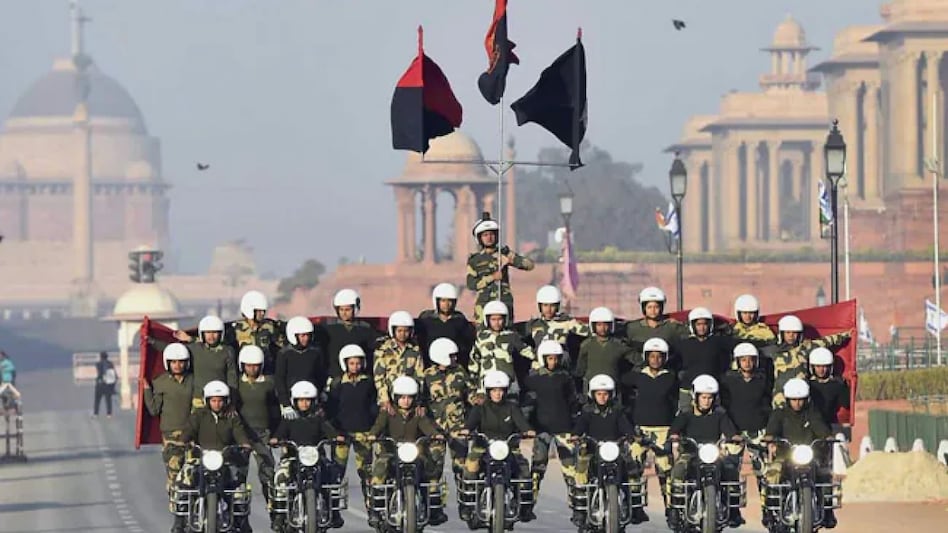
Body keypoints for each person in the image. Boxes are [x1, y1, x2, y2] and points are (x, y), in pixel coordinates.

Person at [667, 374, 744, 529]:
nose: (707, 401)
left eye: (710, 397)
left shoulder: (719, 414)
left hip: (713, 453)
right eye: (703, 397)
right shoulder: (686, 413)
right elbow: (674, 429)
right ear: (695, 397)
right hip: (691, 453)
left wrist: (734, 436)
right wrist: (674, 436)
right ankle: (675, 507)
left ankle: (733, 509)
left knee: (730, 470)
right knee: (678, 469)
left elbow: (729, 430)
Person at [367, 376, 446, 526]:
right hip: (391, 452)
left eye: (410, 397)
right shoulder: (388, 412)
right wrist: (373, 435)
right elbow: (378, 425)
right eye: (402, 397)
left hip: (413, 452)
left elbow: (426, 426)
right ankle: (375, 508)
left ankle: (433, 505)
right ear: (395, 397)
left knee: (430, 469)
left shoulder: (418, 414)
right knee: (380, 467)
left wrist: (435, 435)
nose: (406, 401)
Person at [460, 370, 536, 522]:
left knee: (524, 470)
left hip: (508, 448)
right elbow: (471, 423)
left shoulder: (512, 408)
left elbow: (522, 424)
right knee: (470, 467)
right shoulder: (480, 408)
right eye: (494, 390)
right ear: (488, 391)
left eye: (501, 390)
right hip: (483, 447)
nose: (497, 394)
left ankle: (525, 507)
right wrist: (467, 430)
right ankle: (468, 505)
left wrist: (528, 431)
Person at [176, 380, 253, 532]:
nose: (217, 404)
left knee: (239, 488)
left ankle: (241, 521)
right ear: (207, 401)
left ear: (226, 401)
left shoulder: (232, 417)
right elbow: (189, 429)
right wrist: (184, 441)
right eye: (213, 400)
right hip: (202, 458)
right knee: (184, 478)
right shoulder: (199, 415)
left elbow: (239, 433)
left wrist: (244, 444)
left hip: (225, 460)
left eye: (220, 401)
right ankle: (179, 521)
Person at [270, 380, 347, 530]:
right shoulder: (289, 419)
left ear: (313, 402)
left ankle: (334, 511)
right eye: (301, 401)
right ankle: (279, 515)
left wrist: (337, 437)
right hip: (293, 457)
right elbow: (279, 433)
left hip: (316, 457)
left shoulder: (318, 419)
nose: (304, 404)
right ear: (294, 401)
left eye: (308, 401)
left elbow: (329, 430)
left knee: (333, 475)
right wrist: (275, 439)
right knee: (280, 477)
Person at [572, 374, 647, 525]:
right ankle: (579, 509)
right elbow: (580, 425)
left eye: (605, 394)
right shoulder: (587, 411)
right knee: (581, 467)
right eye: (599, 394)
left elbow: (625, 425)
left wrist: (632, 435)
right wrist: (576, 435)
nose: (602, 397)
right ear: (592, 394)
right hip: (593, 448)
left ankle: (635, 507)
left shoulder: (617, 411)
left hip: (614, 449)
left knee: (632, 468)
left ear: (611, 394)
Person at [761, 378, 837, 529]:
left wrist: (827, 437)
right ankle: (769, 509)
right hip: (785, 455)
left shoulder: (812, 413)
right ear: (788, 399)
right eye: (794, 400)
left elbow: (820, 427)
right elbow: (771, 430)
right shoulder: (779, 414)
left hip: (808, 455)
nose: (797, 403)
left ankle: (828, 510)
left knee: (825, 474)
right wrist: (770, 438)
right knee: (772, 474)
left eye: (801, 400)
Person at [142, 342, 194, 532]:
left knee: (196, 478)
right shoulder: (160, 382)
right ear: (167, 363)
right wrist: (147, 389)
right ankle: (178, 519)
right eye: (174, 362)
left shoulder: (194, 381)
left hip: (194, 438)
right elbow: (154, 409)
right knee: (175, 481)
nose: (178, 366)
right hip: (171, 439)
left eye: (181, 362)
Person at [623, 337, 678, 519]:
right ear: (646, 357)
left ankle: (671, 509)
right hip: (640, 429)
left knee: (666, 470)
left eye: (659, 356)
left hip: (663, 429)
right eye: (652, 356)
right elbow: (623, 396)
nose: (656, 360)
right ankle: (635, 507)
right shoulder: (635, 377)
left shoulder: (671, 377)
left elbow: (677, 401)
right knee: (634, 469)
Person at [524, 340, 581, 509]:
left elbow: (573, 401)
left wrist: (577, 423)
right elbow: (528, 403)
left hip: (564, 427)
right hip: (542, 428)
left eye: (556, 358)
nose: (553, 362)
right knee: (537, 466)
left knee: (570, 467)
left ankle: (577, 504)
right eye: (549, 358)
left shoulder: (565, 377)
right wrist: (525, 425)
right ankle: (528, 503)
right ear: (543, 359)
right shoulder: (533, 378)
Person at [325, 344, 378, 510]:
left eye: (358, 363)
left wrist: (373, 427)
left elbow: (373, 405)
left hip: (363, 432)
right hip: (343, 433)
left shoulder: (368, 382)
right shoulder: (337, 383)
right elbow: (331, 408)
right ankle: (333, 509)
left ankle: (372, 508)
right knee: (336, 471)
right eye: (352, 363)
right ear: (345, 364)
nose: (355, 366)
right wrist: (334, 431)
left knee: (367, 472)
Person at [233, 345, 279, 530]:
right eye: (248, 365)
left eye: (256, 366)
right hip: (241, 435)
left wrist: (276, 433)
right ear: (242, 365)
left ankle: (276, 515)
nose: (252, 369)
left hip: (263, 434)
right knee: (238, 478)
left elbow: (275, 409)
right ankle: (240, 520)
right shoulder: (235, 384)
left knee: (268, 476)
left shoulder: (269, 382)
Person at [720, 342, 772, 491]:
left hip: (757, 431)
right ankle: (733, 511)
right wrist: (730, 432)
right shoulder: (727, 381)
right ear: (737, 362)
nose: (747, 363)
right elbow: (723, 408)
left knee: (762, 471)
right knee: (730, 472)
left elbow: (768, 405)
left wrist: (768, 430)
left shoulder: (763, 380)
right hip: (734, 431)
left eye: (751, 359)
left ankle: (767, 510)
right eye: (743, 360)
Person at [466, 212, 535, 324]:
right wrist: (492, 277)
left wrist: (511, 260)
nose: (489, 238)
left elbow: (529, 265)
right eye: (485, 235)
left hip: (504, 301)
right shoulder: (474, 260)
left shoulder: (504, 252)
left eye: (492, 234)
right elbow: (471, 284)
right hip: (484, 305)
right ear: (479, 238)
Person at [157, 315, 237, 411]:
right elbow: (173, 351)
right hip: (198, 402)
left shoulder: (228, 351)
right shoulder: (194, 349)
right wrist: (151, 340)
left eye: (215, 332)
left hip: (220, 401)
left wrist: (232, 402)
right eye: (208, 333)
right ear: (202, 333)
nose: (211, 336)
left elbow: (232, 379)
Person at [422, 338, 474, 483]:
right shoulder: (427, 375)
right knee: (434, 466)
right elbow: (422, 400)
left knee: (461, 465)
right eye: (451, 356)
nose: (455, 358)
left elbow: (470, 392)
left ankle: (466, 500)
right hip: (435, 427)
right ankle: (432, 500)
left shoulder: (460, 372)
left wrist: (477, 399)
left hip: (457, 425)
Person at [771, 315, 852, 407]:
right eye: (788, 332)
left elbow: (826, 341)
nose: (791, 336)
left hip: (802, 397)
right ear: (782, 334)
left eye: (794, 333)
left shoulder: (806, 348)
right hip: (780, 397)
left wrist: (847, 334)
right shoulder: (773, 352)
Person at [468, 300, 536, 402]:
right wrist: (473, 381)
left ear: (505, 319)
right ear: (487, 320)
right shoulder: (482, 337)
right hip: (486, 380)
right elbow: (474, 358)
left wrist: (540, 356)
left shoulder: (511, 336)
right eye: (493, 319)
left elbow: (525, 350)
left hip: (508, 380)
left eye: (500, 319)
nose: (497, 322)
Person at [670, 307, 735, 412]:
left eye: (705, 324)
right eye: (698, 324)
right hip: (687, 389)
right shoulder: (683, 344)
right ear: (692, 325)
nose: (702, 327)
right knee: (685, 417)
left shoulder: (718, 342)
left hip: (712, 389)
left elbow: (740, 346)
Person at [318, 289, 382, 382]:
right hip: (334, 377)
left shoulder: (365, 329)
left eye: (347, 309)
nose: (344, 313)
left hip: (358, 377)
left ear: (355, 309)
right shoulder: (328, 328)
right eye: (341, 309)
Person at [575, 306, 638, 393]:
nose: (603, 328)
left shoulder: (619, 344)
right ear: (593, 326)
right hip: (591, 388)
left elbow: (638, 360)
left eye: (606, 324)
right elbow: (580, 370)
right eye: (599, 325)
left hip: (613, 387)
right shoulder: (586, 345)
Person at [525, 285, 590, 369]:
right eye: (545, 305)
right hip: (539, 364)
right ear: (540, 306)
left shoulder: (567, 321)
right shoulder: (533, 324)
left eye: (552, 306)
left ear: (558, 306)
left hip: (560, 362)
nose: (548, 309)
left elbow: (589, 331)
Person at [373, 311, 425, 415]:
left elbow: (420, 376)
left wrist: (418, 400)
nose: (403, 334)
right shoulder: (382, 350)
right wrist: (385, 399)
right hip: (388, 399)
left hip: (409, 398)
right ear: (393, 330)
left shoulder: (415, 350)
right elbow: (379, 377)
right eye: (399, 330)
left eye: (406, 331)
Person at [275, 316, 325, 421]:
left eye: (308, 335)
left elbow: (320, 375)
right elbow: (280, 379)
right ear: (293, 335)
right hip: (291, 400)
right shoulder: (284, 354)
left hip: (311, 398)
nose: (305, 339)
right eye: (302, 336)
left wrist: (321, 393)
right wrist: (285, 404)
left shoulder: (315, 352)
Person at [226, 290, 287, 375]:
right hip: (244, 373)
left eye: (263, 311)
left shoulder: (270, 326)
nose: (262, 313)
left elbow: (283, 344)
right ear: (249, 310)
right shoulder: (234, 329)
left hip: (267, 372)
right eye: (259, 311)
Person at [416, 283, 476, 367]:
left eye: (450, 301)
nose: (447, 304)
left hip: (453, 365)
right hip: (430, 366)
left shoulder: (460, 320)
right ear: (437, 301)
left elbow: (466, 346)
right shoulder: (426, 320)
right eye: (443, 301)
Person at [625, 286, 689, 353]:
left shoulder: (671, 327)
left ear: (661, 308)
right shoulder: (632, 328)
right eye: (649, 307)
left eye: (656, 307)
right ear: (644, 308)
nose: (653, 310)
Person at [807, 347, 851, 434]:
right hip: (809, 427)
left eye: (824, 366)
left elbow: (846, 404)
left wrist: (844, 386)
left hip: (829, 426)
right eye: (818, 366)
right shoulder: (807, 385)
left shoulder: (837, 384)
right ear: (812, 367)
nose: (821, 370)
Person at [93, 351, 117, 418]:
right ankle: (109, 414)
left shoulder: (98, 364)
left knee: (97, 400)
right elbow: (113, 374)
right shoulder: (110, 364)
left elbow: (99, 372)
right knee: (108, 400)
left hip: (100, 383)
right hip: (108, 384)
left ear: (100, 357)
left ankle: (96, 413)